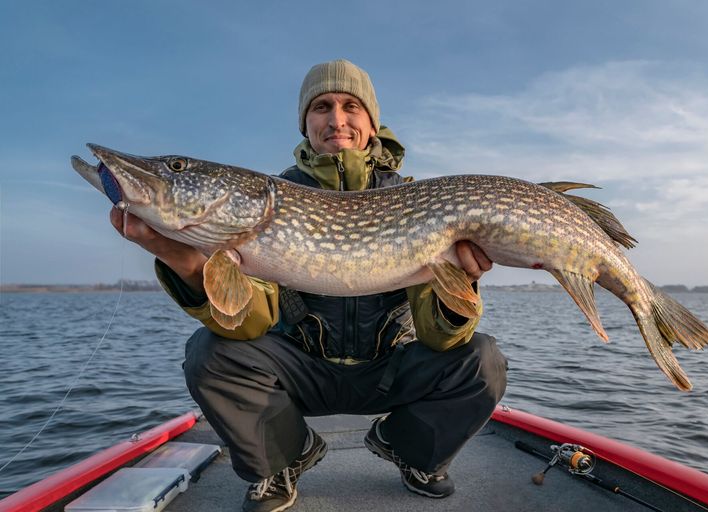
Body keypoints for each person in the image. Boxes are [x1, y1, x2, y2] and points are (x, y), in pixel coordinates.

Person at [110, 59, 508, 512]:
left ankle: (408, 448)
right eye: (321, 106)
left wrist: (464, 283)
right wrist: (184, 261)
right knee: (209, 353)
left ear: (371, 123)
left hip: (389, 369)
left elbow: (441, 338)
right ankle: (287, 455)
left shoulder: (419, 200)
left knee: (482, 361)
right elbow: (247, 325)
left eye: (350, 106)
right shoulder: (271, 201)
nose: (336, 119)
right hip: (304, 371)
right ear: (306, 123)